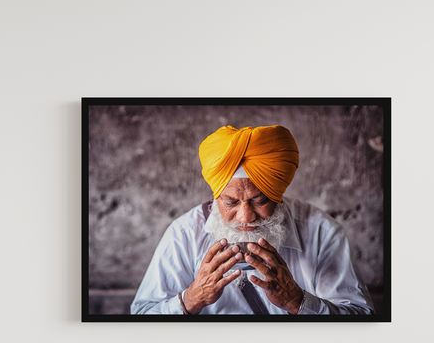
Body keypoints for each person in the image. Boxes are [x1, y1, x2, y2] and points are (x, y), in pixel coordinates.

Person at [130, 124, 375, 315]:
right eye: (231, 202)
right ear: (215, 197)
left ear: (278, 195)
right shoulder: (184, 233)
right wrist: (191, 299)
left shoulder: (322, 233)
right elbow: (141, 316)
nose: (245, 217)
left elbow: (360, 317)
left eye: (260, 201)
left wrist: (297, 302)